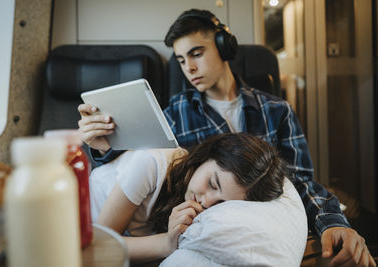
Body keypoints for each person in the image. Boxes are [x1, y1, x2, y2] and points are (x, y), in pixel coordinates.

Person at [78, 9, 375, 266]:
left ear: (224, 47)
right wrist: (102, 149)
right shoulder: (177, 111)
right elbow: (137, 165)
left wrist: (333, 223)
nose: (189, 68)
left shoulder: (276, 111)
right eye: (181, 60)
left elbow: (298, 183)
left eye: (196, 53)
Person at [91, 133, 289, 263]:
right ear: (207, 157)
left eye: (221, 204)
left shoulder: (202, 213)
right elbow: (100, 247)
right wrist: (167, 244)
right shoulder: (151, 163)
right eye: (212, 183)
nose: (206, 202)